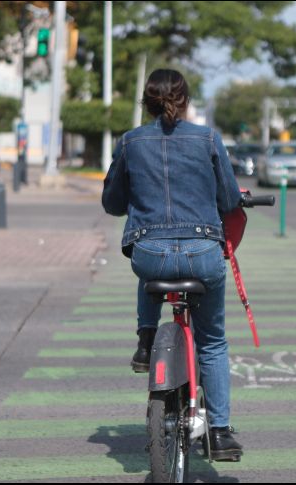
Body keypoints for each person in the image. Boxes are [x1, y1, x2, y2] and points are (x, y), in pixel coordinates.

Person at [101, 68, 243, 461]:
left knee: (149, 265)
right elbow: (229, 200)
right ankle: (219, 432)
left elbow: (112, 204)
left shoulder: (130, 142)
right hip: (202, 254)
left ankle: (146, 341)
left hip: (150, 255)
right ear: (184, 99)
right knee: (212, 340)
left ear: (146, 101)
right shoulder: (208, 139)